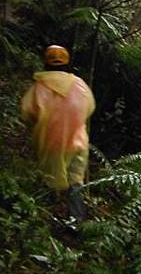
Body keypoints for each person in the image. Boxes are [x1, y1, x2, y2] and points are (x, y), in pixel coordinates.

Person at [21, 45, 95, 221]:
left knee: (48, 179)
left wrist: (39, 125)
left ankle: (41, 219)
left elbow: (27, 111)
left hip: (50, 143)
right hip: (78, 141)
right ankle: (75, 221)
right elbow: (89, 107)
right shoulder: (79, 85)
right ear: (67, 62)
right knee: (75, 180)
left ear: (46, 63)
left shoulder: (39, 87)